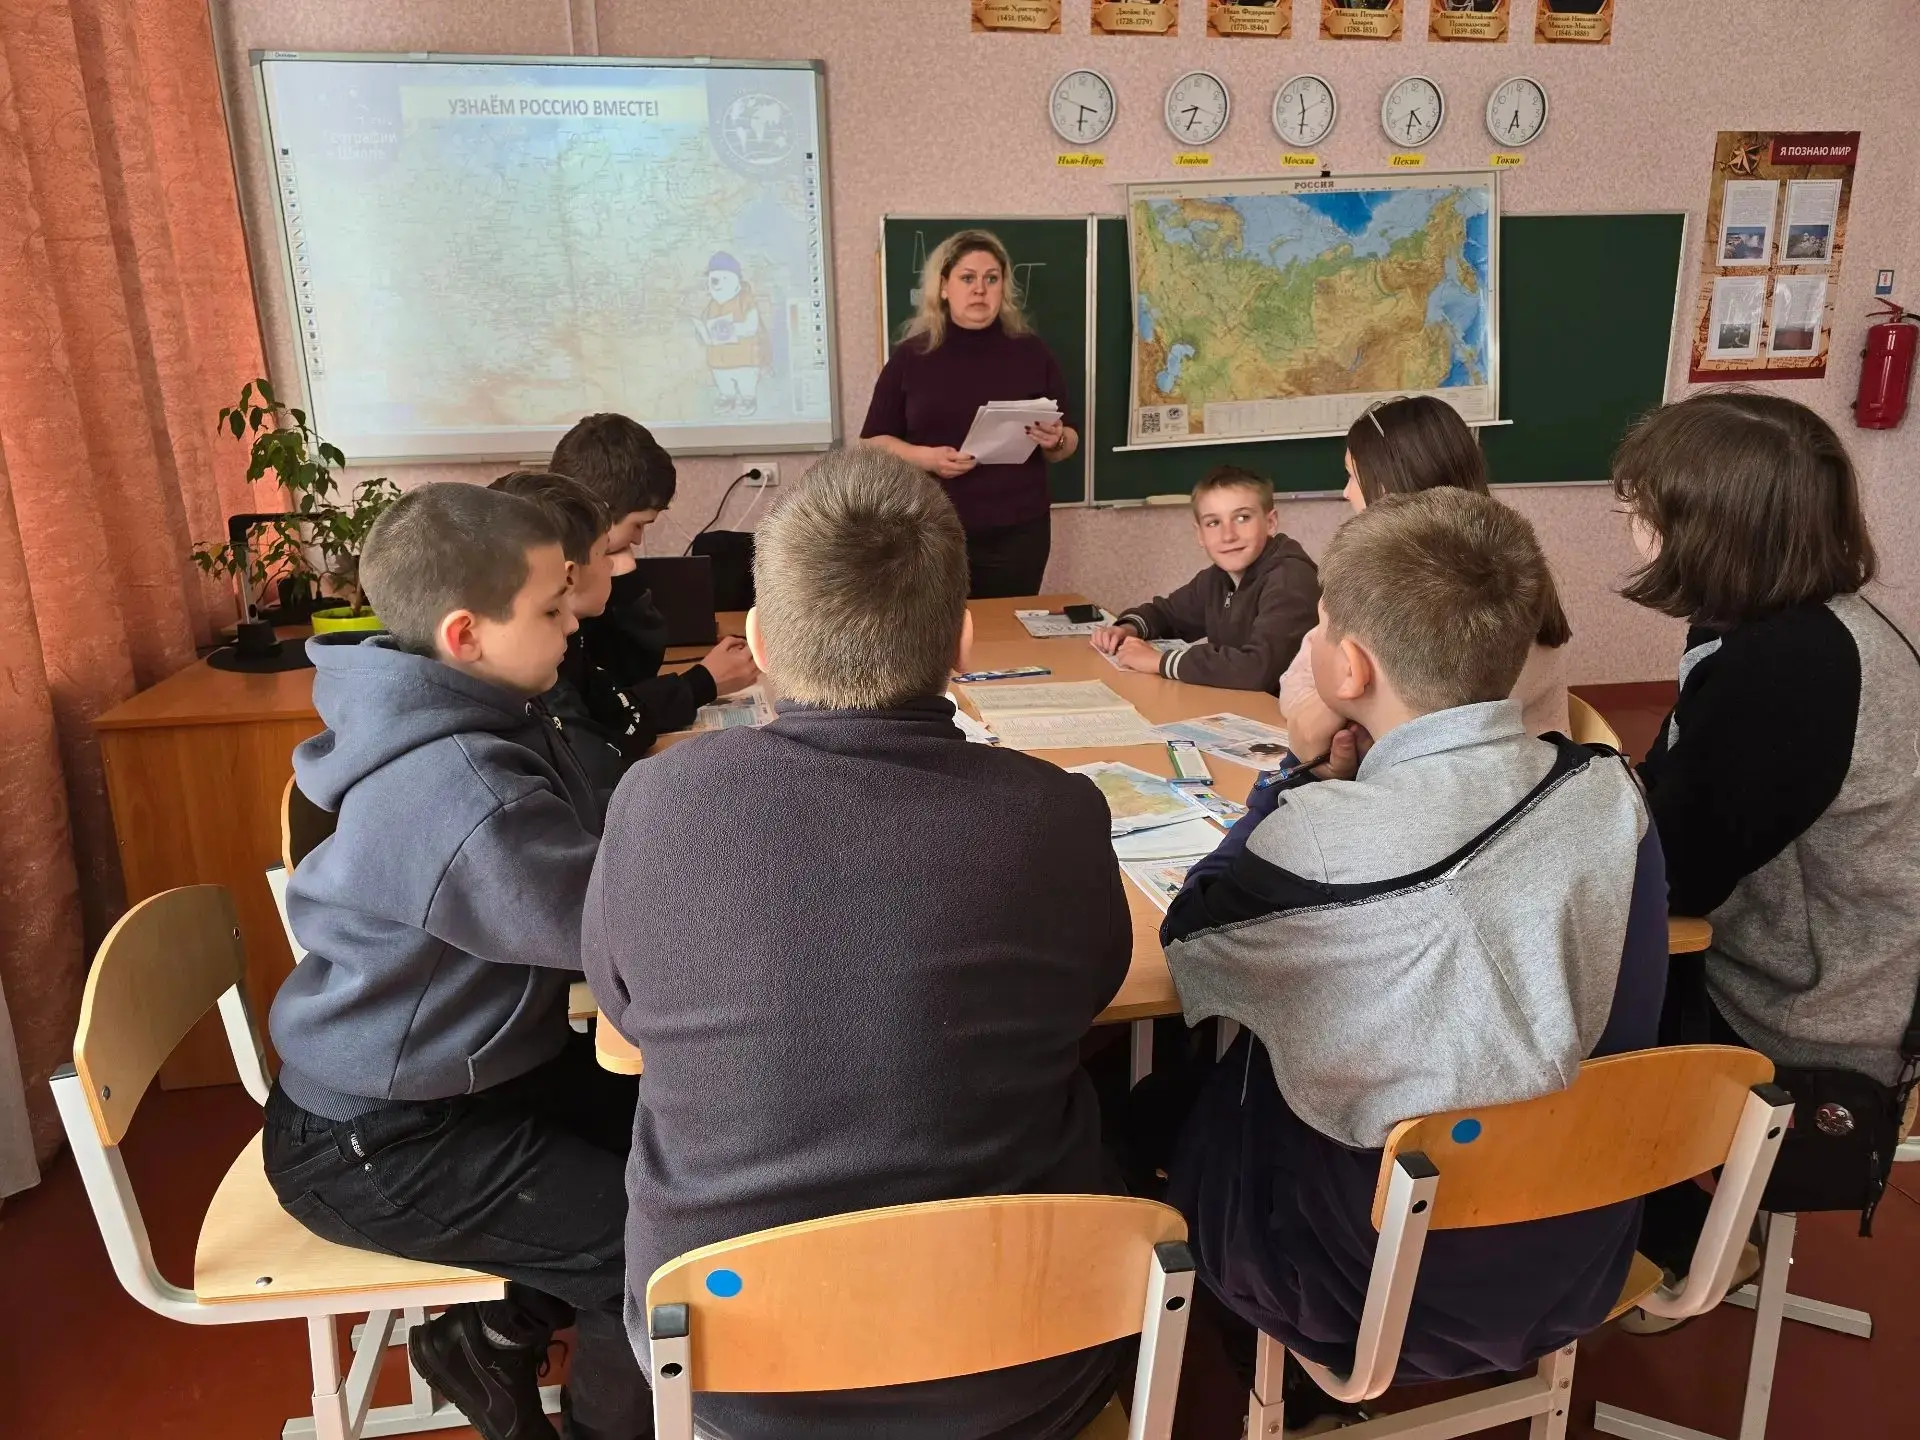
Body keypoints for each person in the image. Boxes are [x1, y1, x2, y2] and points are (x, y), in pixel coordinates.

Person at [583, 448, 1132, 1437]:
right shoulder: (1058, 814)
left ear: (758, 637)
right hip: (1031, 1366)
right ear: (962, 641)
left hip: (733, 1374)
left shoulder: (656, 802)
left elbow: (624, 1012)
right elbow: (1092, 995)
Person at [1154, 488, 1667, 1417]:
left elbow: (1190, 944)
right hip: (1579, 1256)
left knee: (1171, 1095)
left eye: (1318, 627)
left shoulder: (1314, 837)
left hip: (1366, 1289)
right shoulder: (1611, 789)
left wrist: (1294, 783)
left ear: (1349, 667)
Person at [260, 483, 650, 1440]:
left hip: (471, 1078)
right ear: (466, 634)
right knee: (652, 1253)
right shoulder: (462, 786)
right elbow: (615, 929)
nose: (572, 624)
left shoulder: (469, 708)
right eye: (551, 611)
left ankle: (495, 1336)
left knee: (694, 1144)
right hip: (382, 1140)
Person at [1611, 392, 1920, 1290]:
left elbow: (1671, 878)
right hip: (1825, 958)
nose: (1632, 523)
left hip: (1819, 1009)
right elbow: (1676, 781)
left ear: (1713, 530)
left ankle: (1664, 1237)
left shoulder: (1789, 669)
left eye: (1644, 508)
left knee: (1562, 996)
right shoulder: (1787, 622)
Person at [1281, 396, 1572, 759]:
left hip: (1499, 784)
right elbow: (1296, 680)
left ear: (1387, 487)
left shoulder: (1483, 600)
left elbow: (1421, 731)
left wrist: (1326, 712)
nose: (1346, 492)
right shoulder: (1380, 576)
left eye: (1353, 476)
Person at [861, 229, 1079, 598]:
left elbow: (1068, 439)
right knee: (937, 627)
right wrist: (927, 458)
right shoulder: (911, 358)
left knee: (1007, 626)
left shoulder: (1032, 353)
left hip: (1019, 531)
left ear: (1003, 288)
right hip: (932, 529)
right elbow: (871, 442)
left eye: (991, 279)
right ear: (944, 287)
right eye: (967, 278)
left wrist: (1056, 440)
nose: (980, 289)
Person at [550, 413, 758, 727]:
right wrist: (702, 682)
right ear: (598, 513)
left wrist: (624, 580)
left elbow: (626, 679)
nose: (638, 539)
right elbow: (603, 719)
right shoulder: (548, 604)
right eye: (638, 524)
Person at [489, 468, 657, 806]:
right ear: (568, 574)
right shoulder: (534, 672)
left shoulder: (563, 647)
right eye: (605, 553)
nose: (570, 626)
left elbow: (632, 720)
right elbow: (602, 775)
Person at [1090, 465, 1320, 692]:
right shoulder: (1218, 578)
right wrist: (1128, 629)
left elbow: (1258, 670)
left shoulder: (1291, 579)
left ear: (1270, 523)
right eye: (1213, 523)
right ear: (1200, 534)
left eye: (1242, 518)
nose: (1228, 535)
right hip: (1244, 704)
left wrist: (1159, 661)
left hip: (1284, 712)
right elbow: (1168, 614)